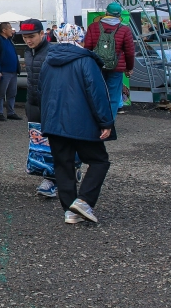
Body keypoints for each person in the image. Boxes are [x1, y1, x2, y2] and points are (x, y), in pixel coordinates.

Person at [39, 41, 115, 224]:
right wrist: (105, 122)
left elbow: (41, 91)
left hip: (54, 122)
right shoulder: (86, 60)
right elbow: (97, 93)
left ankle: (70, 210)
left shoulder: (48, 61)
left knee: (63, 165)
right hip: (82, 122)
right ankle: (84, 201)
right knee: (99, 160)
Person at [21, 18, 69, 198]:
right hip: (33, 104)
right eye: (25, 37)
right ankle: (54, 175)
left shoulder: (53, 52)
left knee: (52, 145)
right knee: (39, 145)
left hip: (51, 106)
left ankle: (52, 180)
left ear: (42, 34)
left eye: (32, 36)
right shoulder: (28, 52)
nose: (28, 40)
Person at [83, 2, 135, 120]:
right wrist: (129, 67)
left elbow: (88, 48)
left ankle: (96, 121)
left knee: (97, 94)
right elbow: (130, 52)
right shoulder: (125, 29)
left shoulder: (93, 27)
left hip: (96, 67)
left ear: (106, 13)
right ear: (119, 15)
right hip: (116, 68)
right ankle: (108, 124)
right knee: (113, 96)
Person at [0, 22, 21, 121]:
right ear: (4, 30)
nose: (12, 30)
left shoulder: (10, 40)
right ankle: (0, 113)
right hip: (4, 71)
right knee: (1, 93)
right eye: (10, 28)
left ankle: (11, 112)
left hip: (13, 71)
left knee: (12, 93)